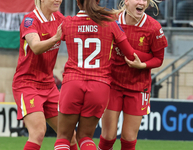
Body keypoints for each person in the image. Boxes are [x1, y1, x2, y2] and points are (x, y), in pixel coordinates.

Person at [54, 0, 154, 150]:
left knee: (63, 138)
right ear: (98, 1)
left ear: (77, 3)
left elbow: (48, 41)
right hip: (99, 86)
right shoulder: (110, 23)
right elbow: (129, 54)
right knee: (85, 138)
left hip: (72, 83)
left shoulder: (68, 22)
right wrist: (153, 57)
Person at [98, 0, 168, 150]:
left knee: (129, 139)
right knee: (108, 136)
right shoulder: (112, 20)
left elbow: (159, 59)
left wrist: (142, 65)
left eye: (145, 0)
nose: (141, 2)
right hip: (113, 85)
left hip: (138, 87)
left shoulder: (154, 27)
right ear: (127, 1)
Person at [12, 0, 77, 150]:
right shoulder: (30, 20)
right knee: (38, 132)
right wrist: (55, 38)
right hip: (26, 84)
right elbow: (35, 47)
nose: (58, 0)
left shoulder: (60, 19)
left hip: (48, 85)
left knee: (69, 135)